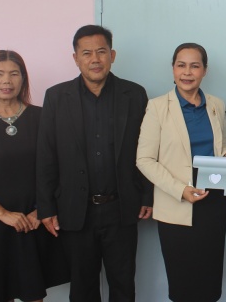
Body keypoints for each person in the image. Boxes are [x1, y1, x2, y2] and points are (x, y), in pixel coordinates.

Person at [36, 25, 153, 301]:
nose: (95, 59)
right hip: (75, 210)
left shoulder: (134, 94)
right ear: (75, 58)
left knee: (123, 285)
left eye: (101, 51)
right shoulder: (56, 97)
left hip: (121, 208)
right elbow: (46, 155)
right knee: (82, 288)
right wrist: (46, 207)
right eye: (86, 53)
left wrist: (147, 195)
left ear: (112, 55)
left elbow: (147, 148)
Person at [0, 50, 68, 301]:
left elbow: (61, 170)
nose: (6, 81)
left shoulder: (43, 117)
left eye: (14, 74)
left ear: (23, 78)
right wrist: (4, 215)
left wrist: (41, 211)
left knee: (34, 293)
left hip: (34, 219)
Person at [136, 43, 226, 302]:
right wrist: (181, 190)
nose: (187, 72)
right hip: (176, 204)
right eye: (181, 65)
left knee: (209, 282)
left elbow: (222, 145)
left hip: (213, 202)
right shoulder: (157, 107)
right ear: (173, 69)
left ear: (205, 70)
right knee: (183, 285)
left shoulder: (216, 104)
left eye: (195, 66)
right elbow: (144, 159)